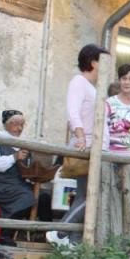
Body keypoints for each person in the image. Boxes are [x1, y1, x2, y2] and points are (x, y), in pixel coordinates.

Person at [51, 43, 110, 245]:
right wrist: (81, 137)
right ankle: (58, 233)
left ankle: (74, 241)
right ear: (94, 62)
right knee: (93, 196)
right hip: (86, 145)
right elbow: (72, 111)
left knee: (84, 195)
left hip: (96, 145)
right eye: (104, 61)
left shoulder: (93, 88)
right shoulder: (79, 82)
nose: (108, 67)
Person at [0, 110, 35, 245]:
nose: (20, 128)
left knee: (44, 197)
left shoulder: (22, 143)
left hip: (16, 184)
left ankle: (41, 235)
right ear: (6, 124)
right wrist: (14, 157)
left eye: (22, 124)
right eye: (16, 124)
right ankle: (5, 234)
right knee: (26, 197)